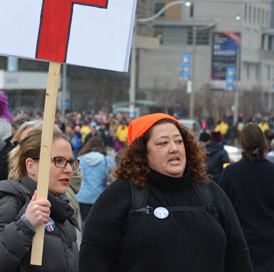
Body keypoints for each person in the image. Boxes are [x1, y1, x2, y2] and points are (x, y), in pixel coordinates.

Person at [80, 113, 252, 272]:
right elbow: (93, 258)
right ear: (142, 152)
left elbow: (238, 255)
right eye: (163, 143)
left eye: (179, 141)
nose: (174, 148)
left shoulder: (211, 193)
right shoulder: (119, 196)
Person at [0, 128, 79, 272]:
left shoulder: (61, 210)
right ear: (31, 166)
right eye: (58, 160)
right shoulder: (10, 201)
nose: (69, 170)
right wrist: (25, 226)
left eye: (71, 162)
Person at [219, 124, 274, 272]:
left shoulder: (230, 173)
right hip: (269, 245)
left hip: (240, 243)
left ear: (241, 143)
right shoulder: (271, 171)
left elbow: (221, 210)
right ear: (264, 143)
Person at [76, 136, 114, 221]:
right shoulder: (107, 160)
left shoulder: (80, 159)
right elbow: (112, 178)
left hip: (82, 197)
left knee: (83, 223)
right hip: (99, 197)